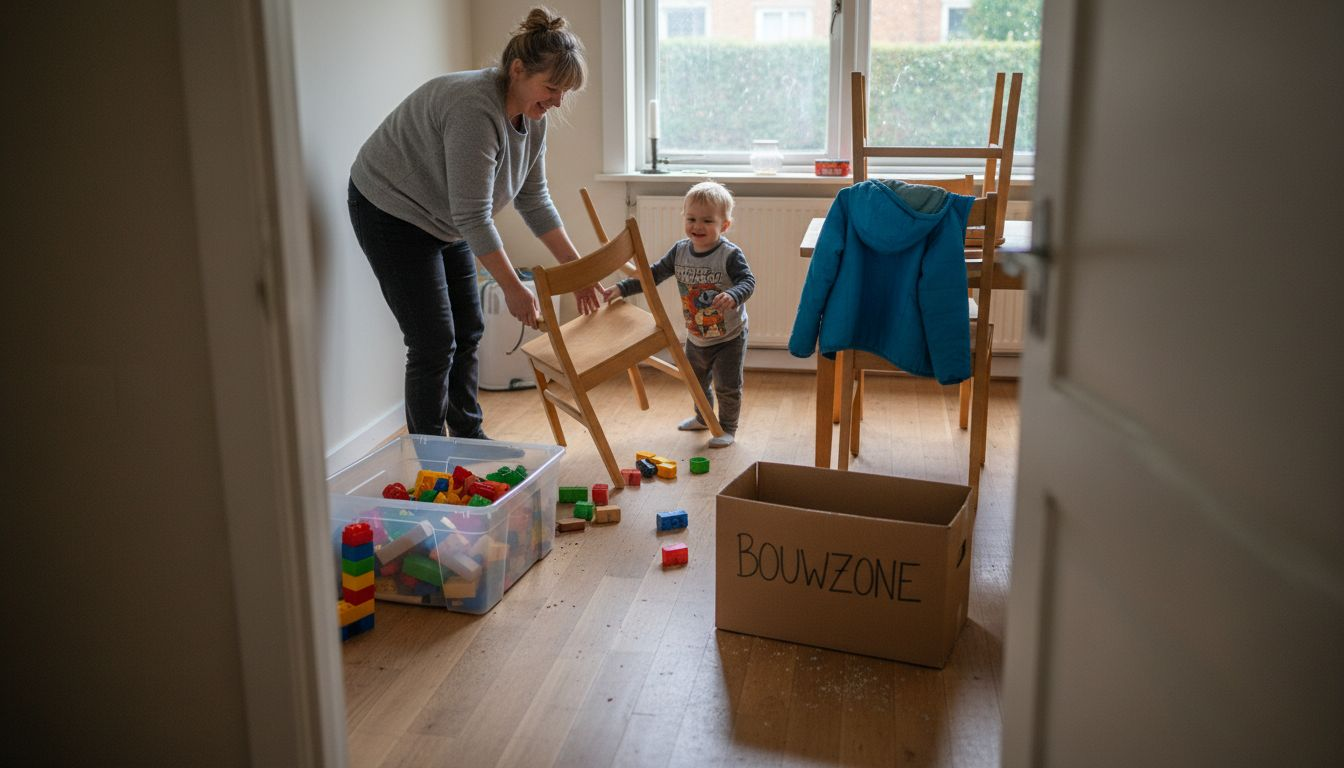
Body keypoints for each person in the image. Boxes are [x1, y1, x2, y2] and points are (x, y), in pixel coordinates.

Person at [347, 7, 600, 439]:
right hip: (391, 211)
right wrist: (513, 286)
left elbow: (533, 198)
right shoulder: (473, 109)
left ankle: (468, 437)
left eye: (565, 93)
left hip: (448, 218)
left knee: (469, 328)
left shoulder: (534, 116)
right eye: (552, 88)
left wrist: (577, 272)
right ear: (518, 70)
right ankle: (430, 458)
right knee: (432, 342)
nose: (558, 101)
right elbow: (472, 215)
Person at [602, 181, 755, 447]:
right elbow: (653, 276)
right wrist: (623, 288)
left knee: (727, 386)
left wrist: (732, 295)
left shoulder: (730, 255)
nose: (698, 226)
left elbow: (748, 282)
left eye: (707, 220)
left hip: (730, 335)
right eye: (692, 218)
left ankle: (727, 428)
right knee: (695, 381)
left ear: (725, 225)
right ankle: (704, 417)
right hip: (697, 335)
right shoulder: (680, 251)